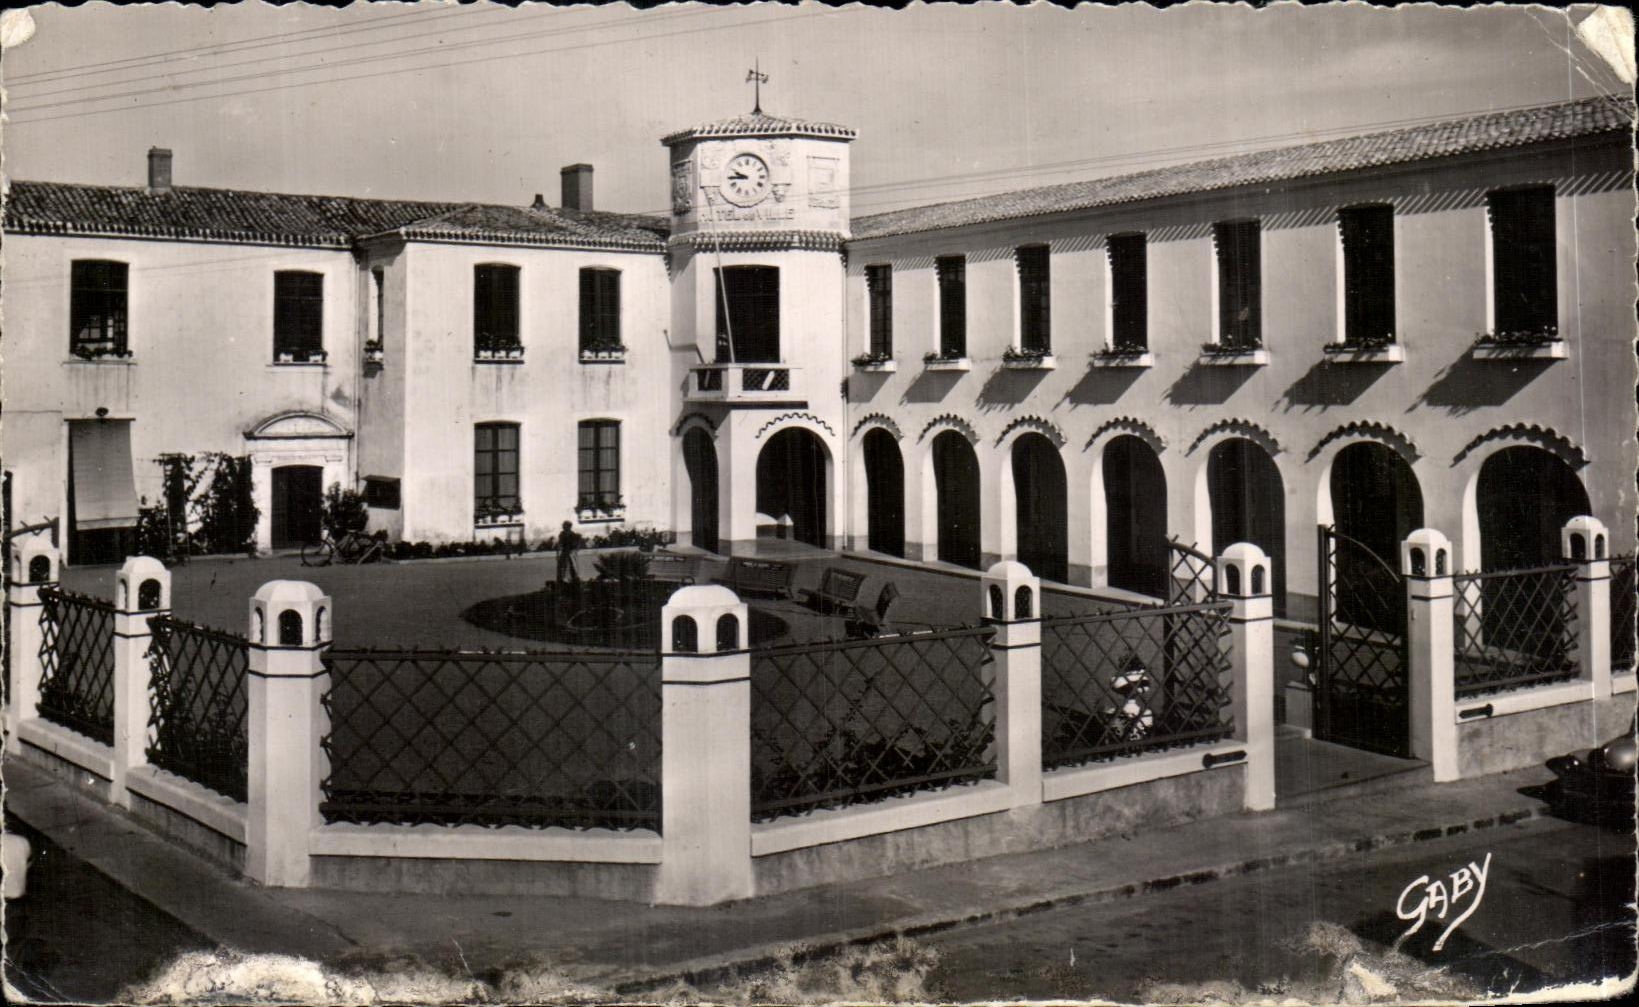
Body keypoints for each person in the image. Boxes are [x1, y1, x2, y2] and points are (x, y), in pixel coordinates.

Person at [556, 520, 582, 585]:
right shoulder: (562, 534)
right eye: (563, 525)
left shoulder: (573, 535)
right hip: (564, 552)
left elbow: (578, 544)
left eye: (564, 525)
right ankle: (561, 579)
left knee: (572, 566)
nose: (563, 527)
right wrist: (557, 554)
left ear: (569, 527)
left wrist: (575, 551)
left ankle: (574, 579)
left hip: (570, 553)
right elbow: (559, 544)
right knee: (561, 566)